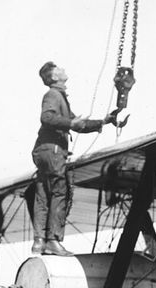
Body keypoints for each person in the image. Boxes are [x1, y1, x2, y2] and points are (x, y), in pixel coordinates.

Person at [31, 61, 117, 256]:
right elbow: (47, 118)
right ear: (54, 77)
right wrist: (70, 122)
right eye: (59, 69)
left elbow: (78, 125)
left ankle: (39, 241)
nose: (64, 69)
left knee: (44, 194)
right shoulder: (53, 95)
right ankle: (53, 241)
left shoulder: (57, 96)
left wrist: (103, 121)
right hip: (53, 151)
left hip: (44, 150)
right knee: (60, 192)